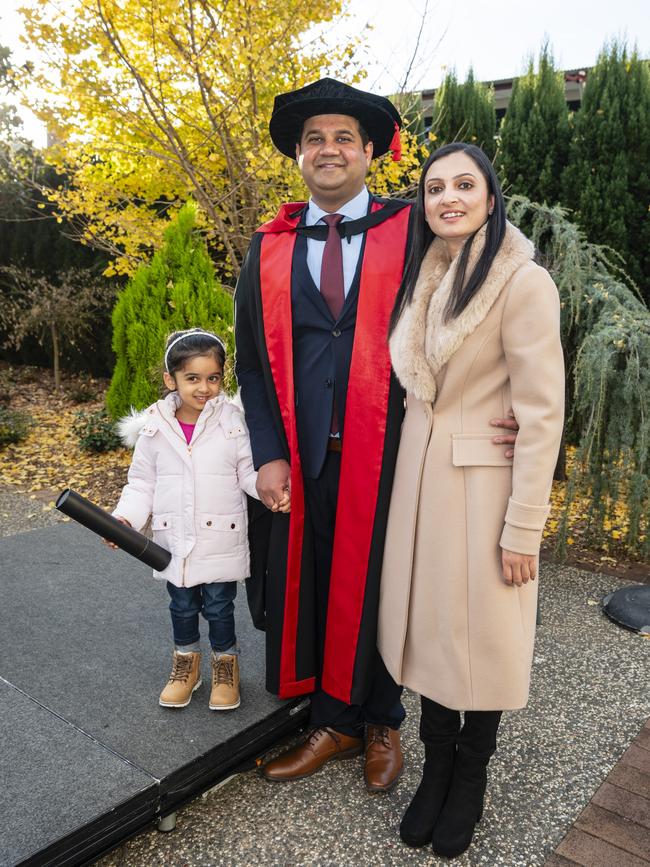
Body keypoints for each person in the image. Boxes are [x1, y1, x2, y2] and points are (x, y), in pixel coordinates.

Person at [234, 80, 519, 790]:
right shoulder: (268, 247)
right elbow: (251, 358)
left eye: (343, 139)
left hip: (396, 448)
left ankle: (384, 718)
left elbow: (485, 298)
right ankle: (334, 719)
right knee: (324, 578)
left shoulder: (413, 226)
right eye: (315, 139)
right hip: (304, 451)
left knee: (393, 582)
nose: (328, 149)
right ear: (299, 155)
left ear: (369, 152)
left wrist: (507, 395)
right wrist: (267, 451)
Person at [378, 142, 565, 857]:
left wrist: (524, 527)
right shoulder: (428, 277)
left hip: (486, 490)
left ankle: (470, 773)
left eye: (464, 184)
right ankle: (435, 766)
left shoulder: (523, 282)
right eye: (433, 188)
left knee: (480, 642)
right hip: (421, 490)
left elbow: (543, 412)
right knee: (431, 635)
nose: (447, 197)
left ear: (491, 195)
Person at [108, 328, 270, 712]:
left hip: (220, 538)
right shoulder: (154, 428)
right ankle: (186, 666)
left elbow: (248, 472)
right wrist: (124, 519)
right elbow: (141, 483)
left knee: (219, 606)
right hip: (173, 541)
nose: (204, 388)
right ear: (171, 380)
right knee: (181, 606)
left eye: (213, 378)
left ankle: (225, 666)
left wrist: (269, 489)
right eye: (192, 378)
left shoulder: (232, 422)